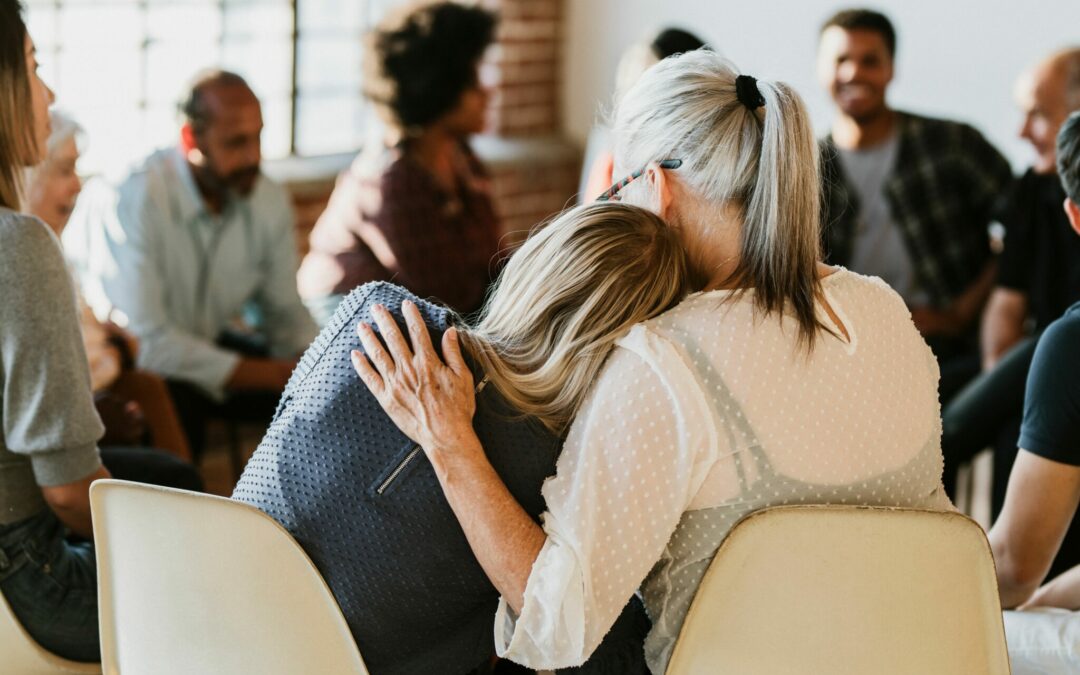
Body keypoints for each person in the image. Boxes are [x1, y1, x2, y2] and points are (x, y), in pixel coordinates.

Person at [354, 50, 953, 673]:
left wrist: (448, 441)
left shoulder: (666, 361)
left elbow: (559, 625)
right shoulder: (886, 312)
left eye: (620, 185)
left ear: (657, 187)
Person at [235, 202, 690, 674]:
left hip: (206, 619)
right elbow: (595, 654)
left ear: (535, 264)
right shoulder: (561, 471)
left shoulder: (369, 313)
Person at [0, 3, 199, 662]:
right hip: (32, 572)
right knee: (226, 572)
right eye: (33, 68)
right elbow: (64, 491)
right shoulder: (18, 245)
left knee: (175, 480)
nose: (49, 95)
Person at [70, 69, 319, 460]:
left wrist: (317, 369)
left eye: (258, 138)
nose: (253, 156)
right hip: (129, 367)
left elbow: (284, 313)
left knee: (315, 400)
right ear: (190, 139)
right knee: (181, 403)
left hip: (205, 345)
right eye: (236, 142)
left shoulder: (266, 198)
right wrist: (271, 373)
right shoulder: (133, 196)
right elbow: (146, 343)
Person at [817, 9, 1012, 400]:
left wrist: (961, 311)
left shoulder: (952, 145)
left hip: (954, 350)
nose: (854, 72)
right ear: (821, 69)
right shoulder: (804, 168)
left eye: (870, 60)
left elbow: (1026, 225)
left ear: (891, 69)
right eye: (841, 60)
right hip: (850, 358)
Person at [941, 49, 1080, 531]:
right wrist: (1003, 377)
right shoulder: (1030, 191)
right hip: (1037, 352)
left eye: (1038, 114)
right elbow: (1006, 299)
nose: (1022, 132)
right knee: (928, 386)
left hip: (1065, 345)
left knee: (955, 427)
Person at [296, 1, 502, 323]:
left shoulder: (462, 157)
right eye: (473, 82)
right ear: (440, 89)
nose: (488, 92)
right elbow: (446, 298)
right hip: (355, 325)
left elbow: (494, 261)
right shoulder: (390, 181)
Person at [28, 109, 191, 460]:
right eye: (64, 170)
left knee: (152, 387)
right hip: (70, 419)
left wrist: (113, 344)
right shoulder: (24, 259)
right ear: (27, 175)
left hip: (98, 394)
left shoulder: (55, 248)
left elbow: (92, 344)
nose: (77, 184)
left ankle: (194, 503)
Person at [987, 110, 1080, 674]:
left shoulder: (1072, 345)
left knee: (964, 638)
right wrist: (1049, 602)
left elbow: (1015, 568)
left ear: (1074, 215)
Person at [578, 27, 708, 202]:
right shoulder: (611, 161)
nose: (626, 95)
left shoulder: (702, 172)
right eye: (625, 80)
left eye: (640, 81)